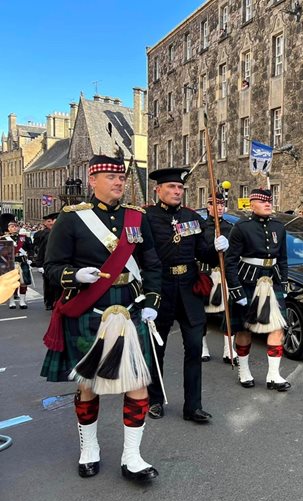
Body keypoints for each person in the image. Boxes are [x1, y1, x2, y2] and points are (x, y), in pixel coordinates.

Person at [40, 154, 162, 482]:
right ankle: (89, 448)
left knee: (138, 385)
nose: (119, 182)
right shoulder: (72, 219)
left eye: (121, 177)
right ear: (92, 181)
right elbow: (51, 268)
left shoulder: (137, 217)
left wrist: (152, 299)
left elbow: (151, 262)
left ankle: (132, 457)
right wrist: (75, 275)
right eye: (111, 177)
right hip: (89, 312)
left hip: (130, 310)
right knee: (88, 387)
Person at [145, 167, 228, 423]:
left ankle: (193, 406)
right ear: (158, 190)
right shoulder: (146, 217)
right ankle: (155, 399)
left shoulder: (193, 217)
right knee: (156, 348)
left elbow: (203, 252)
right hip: (161, 287)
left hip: (189, 287)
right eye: (171, 187)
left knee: (194, 347)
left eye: (180, 188)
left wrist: (216, 249)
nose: (177, 191)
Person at [224, 188, 290, 391]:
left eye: (269, 201)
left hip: (273, 281)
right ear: (251, 205)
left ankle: (273, 375)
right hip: (248, 281)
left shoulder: (279, 227)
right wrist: (236, 289)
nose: (268, 204)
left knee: (277, 328)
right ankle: (244, 371)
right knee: (245, 328)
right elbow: (231, 261)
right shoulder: (241, 228)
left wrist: (284, 284)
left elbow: (284, 258)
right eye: (262, 202)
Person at [201, 192, 236, 364]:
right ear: (208, 207)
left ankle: (229, 349)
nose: (219, 207)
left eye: (222, 205)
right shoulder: (201, 227)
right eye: (215, 204)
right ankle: (203, 346)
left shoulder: (230, 227)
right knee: (202, 314)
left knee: (228, 313)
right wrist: (211, 248)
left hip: (224, 274)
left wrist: (228, 248)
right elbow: (198, 252)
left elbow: (235, 253)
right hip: (206, 273)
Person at [1, 213, 34, 309]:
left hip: (22, 261)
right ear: (8, 228)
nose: (15, 228)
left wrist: (30, 259)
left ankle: (22, 301)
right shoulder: (4, 239)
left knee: (23, 282)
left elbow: (30, 249)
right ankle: (11, 301)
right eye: (12, 226)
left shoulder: (24, 238)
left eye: (16, 226)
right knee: (11, 283)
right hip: (9, 263)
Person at [32, 212, 61, 309]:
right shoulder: (48, 235)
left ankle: (57, 303)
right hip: (49, 262)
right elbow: (41, 250)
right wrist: (40, 264)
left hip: (62, 262)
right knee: (49, 284)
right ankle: (49, 302)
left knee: (59, 286)